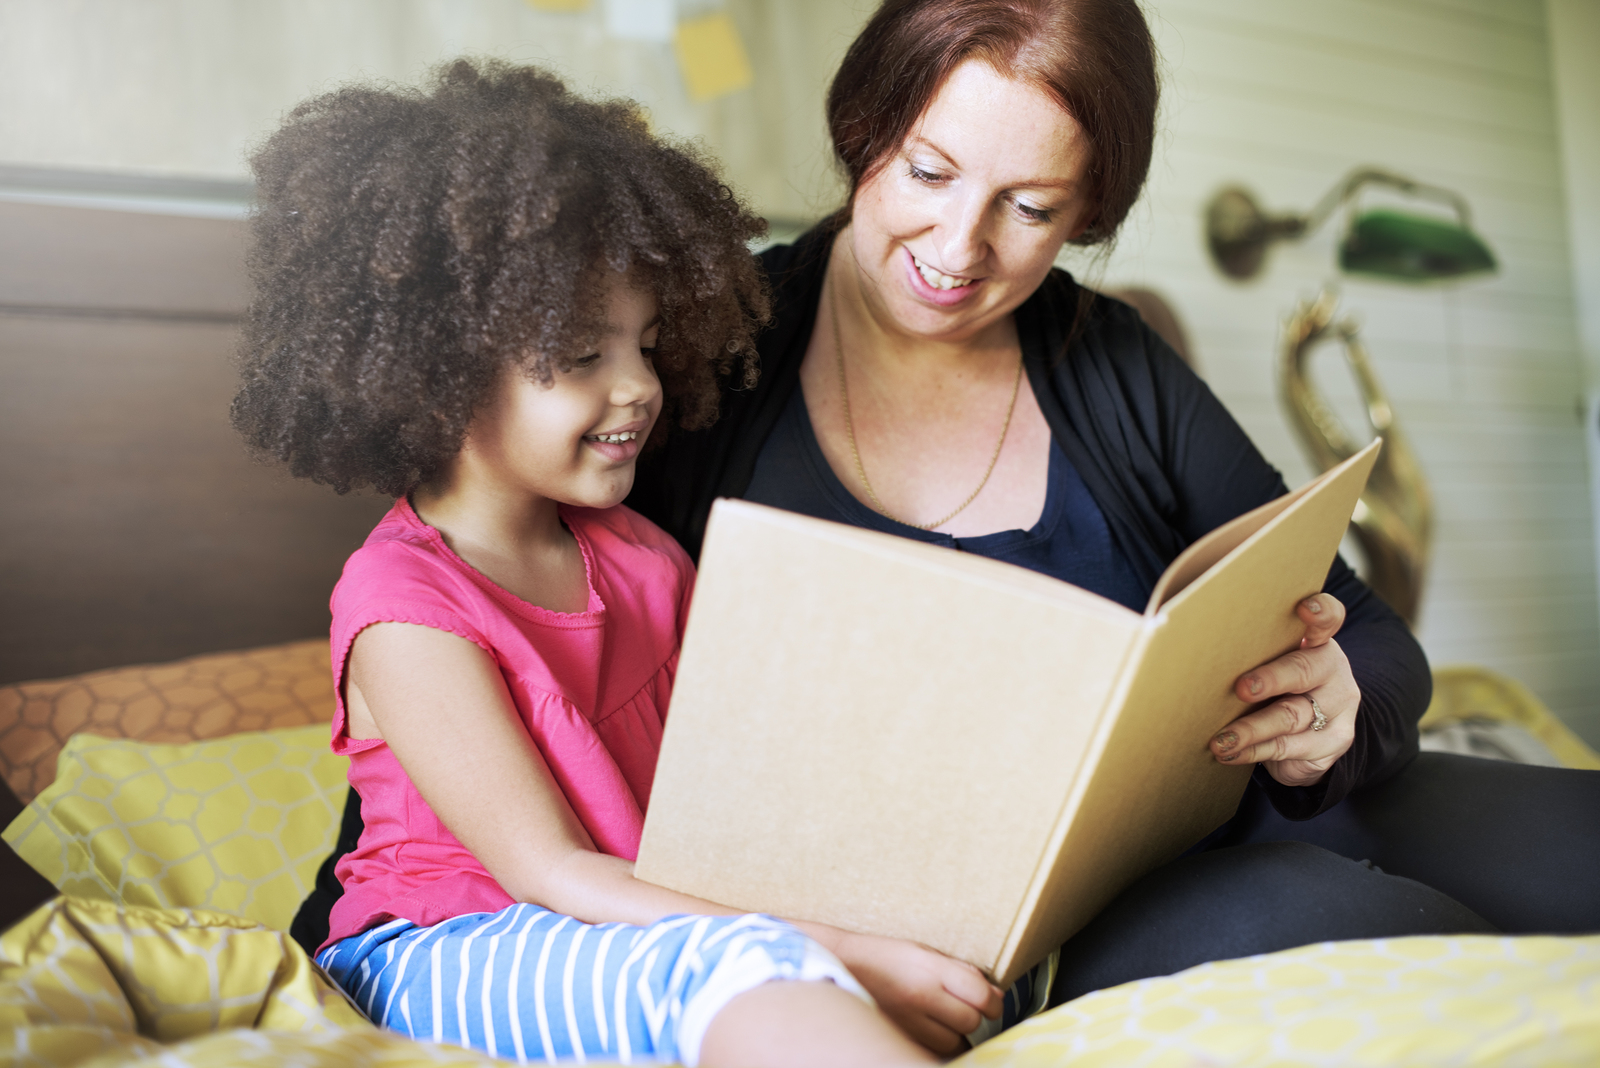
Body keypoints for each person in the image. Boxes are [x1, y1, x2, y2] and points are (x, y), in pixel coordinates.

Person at [292, 0, 1600, 1053]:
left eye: (1032, 208)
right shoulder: (692, 362)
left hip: (1237, 804)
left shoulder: (1110, 361)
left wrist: (1339, 700)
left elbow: (1371, 635)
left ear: (1088, 214)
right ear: (864, 130)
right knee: (1420, 955)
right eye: (927, 171)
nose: (961, 247)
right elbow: (487, 658)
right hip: (1033, 923)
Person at [235, 59, 1004, 1066]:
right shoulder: (401, 605)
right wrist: (825, 948)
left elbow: (733, 801)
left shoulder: (642, 557)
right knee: (738, 969)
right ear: (442, 365)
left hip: (627, 936)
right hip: (435, 954)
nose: (640, 387)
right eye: (585, 355)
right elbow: (547, 871)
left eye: (645, 345)